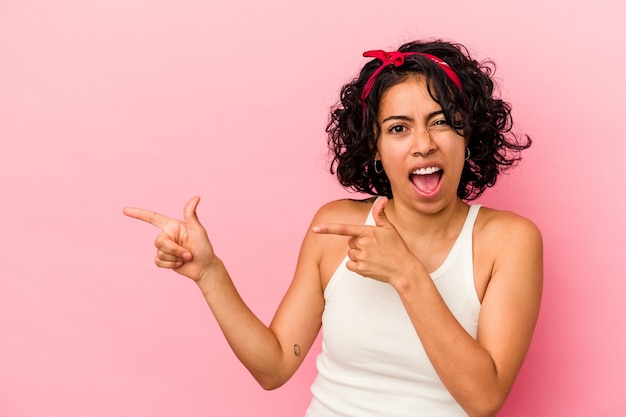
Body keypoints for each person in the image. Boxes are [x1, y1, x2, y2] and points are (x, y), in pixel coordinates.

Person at [124, 39, 543, 417]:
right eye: (398, 128)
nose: (423, 144)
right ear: (375, 148)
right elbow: (274, 367)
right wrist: (209, 273)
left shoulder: (508, 241)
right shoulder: (335, 228)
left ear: (468, 133)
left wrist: (406, 273)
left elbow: (484, 399)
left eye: (441, 121)